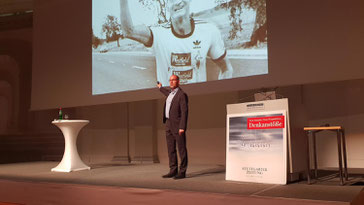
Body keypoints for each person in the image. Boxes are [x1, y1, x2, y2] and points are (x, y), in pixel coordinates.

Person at [120, 0, 233, 86]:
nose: (177, 2)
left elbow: (226, 68)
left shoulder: (209, 31)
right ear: (166, 5)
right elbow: (128, 31)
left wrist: (220, 93)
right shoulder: (158, 34)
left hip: (198, 104)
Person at [157, 75, 188, 179]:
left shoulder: (182, 94)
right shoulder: (170, 93)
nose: (171, 82)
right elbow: (165, 92)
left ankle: (182, 171)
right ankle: (173, 170)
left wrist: (182, 126)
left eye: (173, 80)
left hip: (178, 125)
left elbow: (184, 112)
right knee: (171, 149)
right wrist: (160, 87)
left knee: (181, 149)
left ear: (178, 81)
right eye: (170, 80)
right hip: (168, 124)